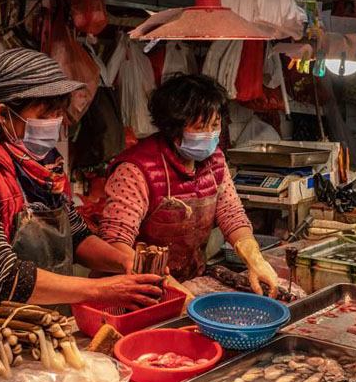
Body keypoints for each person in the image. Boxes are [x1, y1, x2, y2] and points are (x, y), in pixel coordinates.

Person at [0, 49, 163, 326]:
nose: (57, 122)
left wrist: (124, 262)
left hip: (35, 325)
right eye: (45, 114)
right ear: (3, 114)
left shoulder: (44, 164)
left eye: (58, 112)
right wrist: (102, 290)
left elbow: (75, 237)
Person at [100, 74, 279, 298]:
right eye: (200, 126)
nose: (210, 134)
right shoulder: (134, 169)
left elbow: (232, 215)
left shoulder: (215, 161)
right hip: (132, 291)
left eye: (215, 125)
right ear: (173, 128)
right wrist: (173, 290)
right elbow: (115, 242)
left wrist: (256, 260)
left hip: (190, 281)